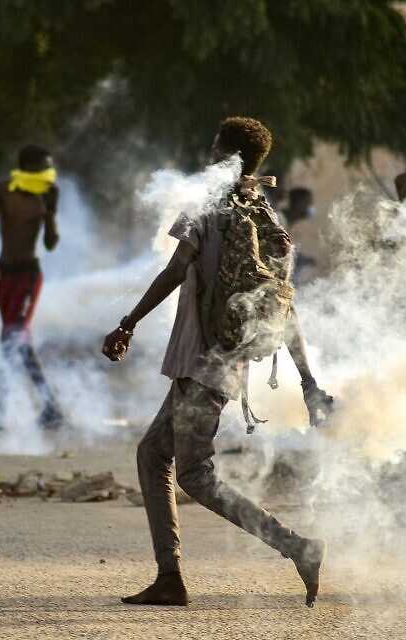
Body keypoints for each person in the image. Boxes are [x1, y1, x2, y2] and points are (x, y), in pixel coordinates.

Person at [102, 117, 332, 608]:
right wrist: (308, 381)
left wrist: (128, 322)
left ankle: (296, 546)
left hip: (200, 366)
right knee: (151, 453)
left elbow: (174, 269)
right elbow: (285, 307)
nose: (208, 158)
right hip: (225, 365)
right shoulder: (263, 214)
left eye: (214, 150)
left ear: (226, 157)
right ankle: (170, 578)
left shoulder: (207, 205)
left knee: (195, 475)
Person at [0, 145, 65, 431]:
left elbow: (51, 244)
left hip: (29, 276)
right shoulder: (3, 190)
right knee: (19, 343)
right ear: (27, 167)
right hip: (5, 276)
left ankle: (0, 412)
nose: (49, 173)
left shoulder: (47, 194)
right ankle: (52, 407)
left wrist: (51, 213)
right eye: (43, 167)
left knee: (10, 339)